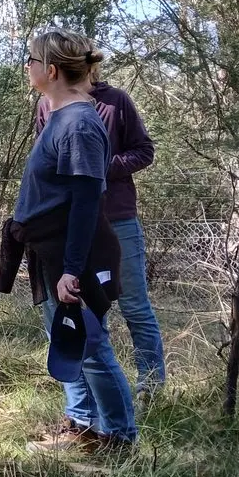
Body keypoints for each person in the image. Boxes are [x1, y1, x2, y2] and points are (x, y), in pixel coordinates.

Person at [8, 29, 136, 452]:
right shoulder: (60, 115)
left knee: (92, 345)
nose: (26, 67)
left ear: (50, 69)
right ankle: (82, 428)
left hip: (71, 251)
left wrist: (71, 268)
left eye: (30, 60)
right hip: (52, 250)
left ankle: (119, 439)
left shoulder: (80, 123)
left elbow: (86, 202)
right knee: (69, 339)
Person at [37, 72, 164, 399]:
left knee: (135, 305)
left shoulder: (116, 100)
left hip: (117, 219)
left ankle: (150, 387)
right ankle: (93, 399)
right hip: (71, 226)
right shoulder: (46, 104)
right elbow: (45, 162)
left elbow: (144, 151)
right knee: (83, 309)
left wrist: (99, 167)